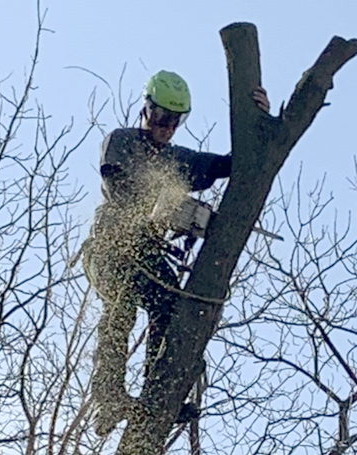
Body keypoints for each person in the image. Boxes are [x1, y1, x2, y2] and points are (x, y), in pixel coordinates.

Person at [83, 70, 270, 437]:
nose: (167, 127)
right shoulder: (120, 142)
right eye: (162, 117)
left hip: (148, 257)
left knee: (171, 304)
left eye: (175, 120)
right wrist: (165, 203)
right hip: (110, 247)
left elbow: (226, 164)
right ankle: (108, 398)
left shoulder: (177, 159)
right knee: (120, 306)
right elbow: (120, 185)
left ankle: (158, 391)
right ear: (146, 110)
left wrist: (258, 118)